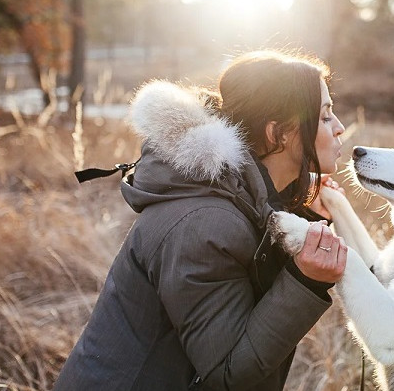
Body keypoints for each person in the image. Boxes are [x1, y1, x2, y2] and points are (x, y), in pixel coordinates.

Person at [54, 50, 348, 390]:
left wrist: (300, 209)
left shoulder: (234, 198)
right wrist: (305, 280)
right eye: (325, 116)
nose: (339, 128)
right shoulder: (204, 224)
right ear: (278, 134)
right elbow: (228, 373)